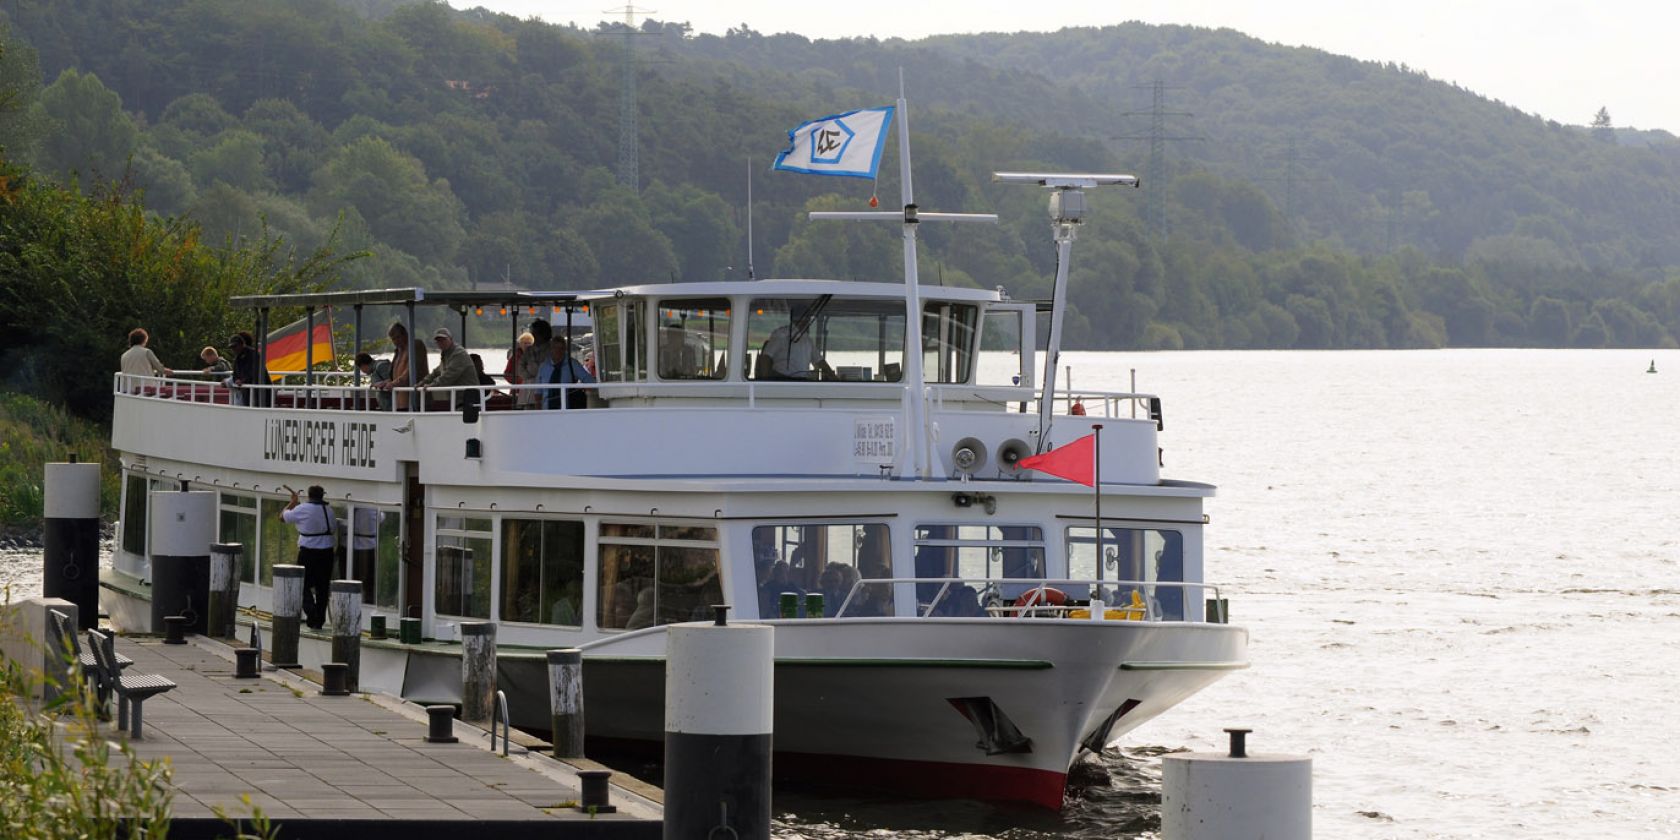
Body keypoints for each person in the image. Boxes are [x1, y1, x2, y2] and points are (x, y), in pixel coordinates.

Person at [281, 485, 336, 630]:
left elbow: (282, 517)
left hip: (309, 552)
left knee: (302, 585)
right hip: (327, 553)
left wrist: (293, 501)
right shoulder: (329, 510)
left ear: (309, 495)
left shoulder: (303, 508)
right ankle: (319, 620)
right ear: (322, 495)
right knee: (322, 587)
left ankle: (311, 613)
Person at [417, 327, 479, 409]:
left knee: (462, 420)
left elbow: (448, 376)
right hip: (458, 399)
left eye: (443, 339)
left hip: (469, 399)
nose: (441, 342)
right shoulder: (446, 355)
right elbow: (436, 372)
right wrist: (421, 383)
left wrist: (431, 386)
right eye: (438, 341)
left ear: (451, 339)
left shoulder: (458, 353)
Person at [537, 334, 594, 410]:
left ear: (565, 350)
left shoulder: (572, 364)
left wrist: (580, 387)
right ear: (551, 349)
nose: (558, 351)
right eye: (555, 348)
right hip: (547, 412)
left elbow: (589, 381)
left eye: (561, 348)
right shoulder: (543, 367)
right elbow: (538, 393)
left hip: (567, 411)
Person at [760, 321, 833, 380]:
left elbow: (819, 361)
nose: (808, 321)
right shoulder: (781, 334)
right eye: (806, 317)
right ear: (796, 317)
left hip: (803, 381)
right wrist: (765, 379)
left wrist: (834, 378)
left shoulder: (807, 338)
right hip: (781, 380)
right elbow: (766, 356)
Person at [381, 322, 428, 411]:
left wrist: (394, 383)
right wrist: (385, 382)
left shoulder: (416, 345)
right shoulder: (398, 351)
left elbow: (411, 372)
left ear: (405, 334)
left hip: (416, 401)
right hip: (399, 402)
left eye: (398, 337)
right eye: (393, 339)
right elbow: (395, 375)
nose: (396, 341)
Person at [350, 506, 383, 604]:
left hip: (363, 545)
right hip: (365, 545)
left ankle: (364, 600)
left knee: (364, 577)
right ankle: (365, 599)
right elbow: (381, 519)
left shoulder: (371, 510)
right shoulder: (374, 510)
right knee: (367, 578)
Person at [515, 320, 552, 409]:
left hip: (545, 389)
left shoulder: (552, 350)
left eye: (535, 333)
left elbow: (545, 369)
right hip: (528, 389)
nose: (534, 335)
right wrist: (529, 376)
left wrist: (536, 373)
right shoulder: (529, 350)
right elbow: (520, 367)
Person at [226, 332, 261, 406]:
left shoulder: (253, 354)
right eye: (232, 347)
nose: (233, 349)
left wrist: (243, 380)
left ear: (242, 344)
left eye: (235, 346)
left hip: (258, 391)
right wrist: (236, 380)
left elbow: (255, 372)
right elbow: (235, 374)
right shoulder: (237, 358)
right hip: (247, 392)